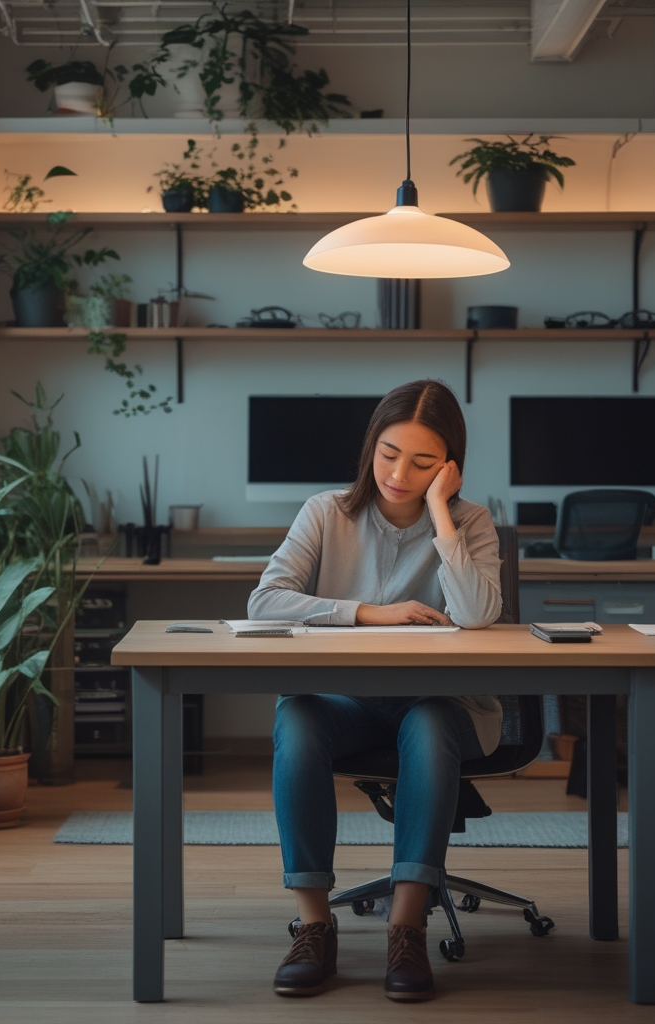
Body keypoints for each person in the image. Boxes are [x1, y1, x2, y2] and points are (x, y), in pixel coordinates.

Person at [248, 378, 503, 1002]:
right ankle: (314, 925)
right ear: (371, 448)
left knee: (431, 722)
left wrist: (441, 515)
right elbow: (265, 601)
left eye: (422, 463)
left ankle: (406, 927)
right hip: (351, 702)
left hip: (443, 704)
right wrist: (367, 613)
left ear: (449, 467)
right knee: (297, 716)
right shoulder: (326, 512)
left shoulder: (471, 522)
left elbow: (477, 615)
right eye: (389, 454)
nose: (398, 474)